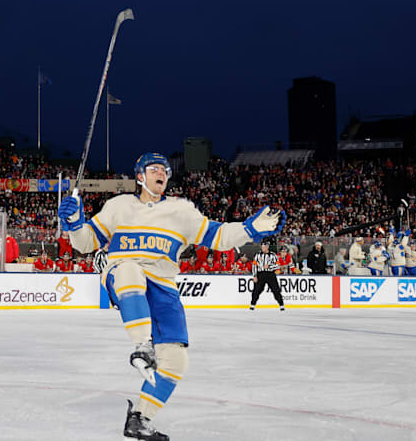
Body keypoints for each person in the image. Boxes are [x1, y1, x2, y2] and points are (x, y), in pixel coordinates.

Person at [58, 152, 284, 441]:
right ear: (140, 176)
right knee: (129, 270)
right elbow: (85, 243)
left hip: (163, 284)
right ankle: (142, 346)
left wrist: (250, 229)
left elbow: (218, 236)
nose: (161, 173)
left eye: (164, 169)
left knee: (176, 361)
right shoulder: (118, 206)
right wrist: (76, 223)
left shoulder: (181, 211)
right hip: (123, 271)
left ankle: (140, 418)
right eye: (153, 169)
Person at [250, 240, 285, 311]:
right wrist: (254, 276)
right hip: (260, 274)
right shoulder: (258, 255)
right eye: (262, 247)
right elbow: (254, 266)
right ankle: (252, 304)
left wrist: (269, 266)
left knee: (276, 289)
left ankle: (281, 304)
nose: (262, 248)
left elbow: (278, 265)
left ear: (267, 247)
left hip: (270, 274)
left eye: (264, 247)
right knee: (256, 290)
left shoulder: (273, 255)